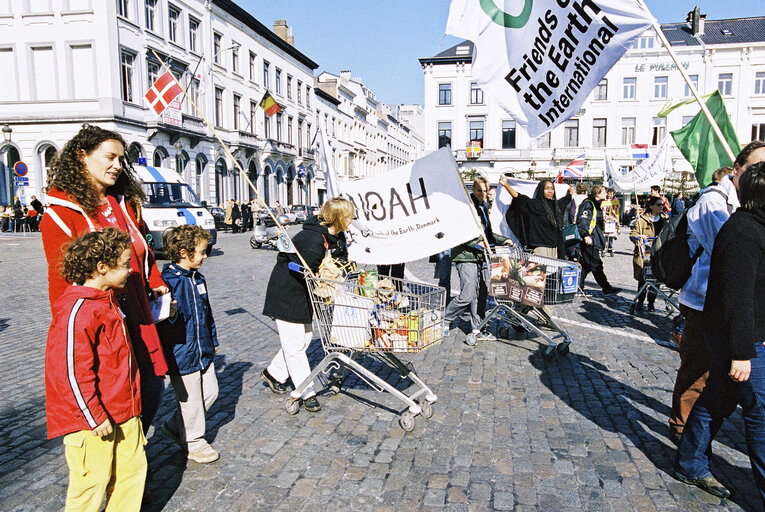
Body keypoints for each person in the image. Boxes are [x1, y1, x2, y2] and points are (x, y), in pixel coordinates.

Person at [40, 124, 169, 437]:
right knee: (116, 398)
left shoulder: (122, 203)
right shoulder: (61, 213)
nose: (116, 165)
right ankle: (123, 476)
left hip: (138, 312)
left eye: (120, 160)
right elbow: (63, 279)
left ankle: (134, 462)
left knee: (151, 389)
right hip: (102, 321)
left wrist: (155, 281)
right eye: (110, 157)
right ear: (82, 157)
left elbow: (142, 248)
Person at [674, 160, 765, 502]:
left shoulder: (755, 226)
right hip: (741, 340)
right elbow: (737, 299)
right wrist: (742, 352)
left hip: (748, 335)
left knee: (717, 399)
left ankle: (690, 461)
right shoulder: (743, 231)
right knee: (760, 413)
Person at [45, 228, 146, 511]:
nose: (129, 270)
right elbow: (71, 373)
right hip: (93, 420)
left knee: (130, 477)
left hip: (125, 411)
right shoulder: (77, 310)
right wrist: (94, 415)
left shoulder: (108, 300)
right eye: (125, 264)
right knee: (90, 486)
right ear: (102, 268)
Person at [260, 198, 354, 412]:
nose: (351, 220)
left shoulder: (337, 236)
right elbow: (298, 267)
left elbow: (341, 261)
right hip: (287, 292)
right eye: (348, 216)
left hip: (305, 294)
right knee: (295, 347)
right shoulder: (311, 239)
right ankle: (306, 391)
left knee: (304, 339)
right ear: (338, 217)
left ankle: (274, 373)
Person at [158, 225, 220, 464]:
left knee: (211, 392)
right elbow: (160, 318)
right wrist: (169, 313)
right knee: (191, 400)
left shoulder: (198, 279)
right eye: (202, 252)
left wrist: (212, 339)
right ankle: (194, 443)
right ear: (184, 252)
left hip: (202, 348)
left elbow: (207, 312)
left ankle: (176, 425)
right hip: (181, 351)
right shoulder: (168, 281)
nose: (205, 256)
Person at [444, 177, 511, 346]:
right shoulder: (466, 207)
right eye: (480, 190)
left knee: (481, 295)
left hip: (481, 256)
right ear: (472, 190)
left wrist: (502, 239)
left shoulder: (483, 207)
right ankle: (443, 319)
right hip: (465, 256)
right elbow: (457, 232)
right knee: (467, 294)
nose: (483, 194)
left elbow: (487, 234)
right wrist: (475, 243)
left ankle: (477, 328)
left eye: (486, 191)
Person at [575, 185, 621, 295]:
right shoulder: (588, 204)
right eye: (604, 192)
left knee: (586, 265)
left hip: (594, 238)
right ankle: (606, 287)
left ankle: (578, 287)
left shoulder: (597, 204)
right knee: (596, 264)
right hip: (589, 239)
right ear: (597, 194)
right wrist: (585, 235)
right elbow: (582, 221)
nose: (606, 194)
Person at [630, 195, 668, 311]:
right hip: (644, 254)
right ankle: (640, 301)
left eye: (662, 205)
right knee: (644, 277)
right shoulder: (642, 220)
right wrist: (639, 237)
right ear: (651, 206)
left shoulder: (665, 220)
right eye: (658, 205)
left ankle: (651, 302)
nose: (661, 207)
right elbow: (633, 234)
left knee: (657, 279)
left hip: (659, 253)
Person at [602, 188, 621, 256]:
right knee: (605, 234)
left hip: (612, 219)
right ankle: (604, 246)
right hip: (605, 219)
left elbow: (616, 209)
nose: (609, 195)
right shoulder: (604, 200)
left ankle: (610, 246)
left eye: (611, 193)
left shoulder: (615, 201)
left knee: (611, 234)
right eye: (608, 193)